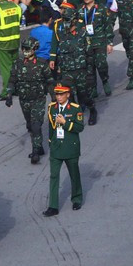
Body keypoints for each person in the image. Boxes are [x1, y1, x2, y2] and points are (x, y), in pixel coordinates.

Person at [5, 37, 53, 163]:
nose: (25, 51)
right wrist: (9, 95)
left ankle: (35, 151)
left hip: (38, 99)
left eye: (28, 49)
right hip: (24, 100)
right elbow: (12, 80)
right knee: (30, 125)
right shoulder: (18, 63)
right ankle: (39, 145)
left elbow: (49, 81)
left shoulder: (42, 63)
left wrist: (54, 98)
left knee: (36, 125)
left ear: (34, 49)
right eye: (24, 48)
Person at [43, 81, 84, 217]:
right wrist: (50, 142)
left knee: (74, 174)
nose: (58, 97)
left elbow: (80, 127)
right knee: (54, 176)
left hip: (70, 147)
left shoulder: (75, 108)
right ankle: (53, 206)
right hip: (56, 147)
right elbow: (50, 127)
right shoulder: (52, 108)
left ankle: (77, 198)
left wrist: (65, 123)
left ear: (68, 94)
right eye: (57, 94)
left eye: (61, 94)